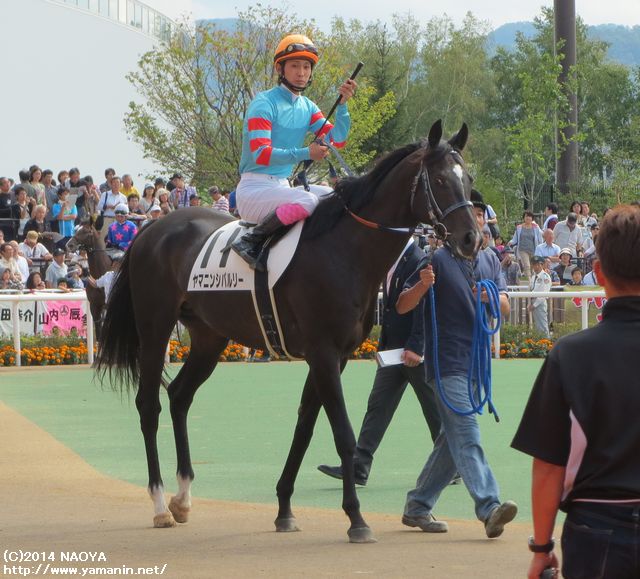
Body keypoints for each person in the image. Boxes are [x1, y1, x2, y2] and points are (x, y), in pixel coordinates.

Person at [513, 204, 640, 579]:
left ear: (598, 272)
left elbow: (548, 466)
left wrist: (541, 547)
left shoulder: (570, 355)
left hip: (596, 527)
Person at [397, 189, 517, 537]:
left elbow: (505, 306)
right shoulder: (435, 260)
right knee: (466, 431)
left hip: (477, 363)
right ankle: (489, 507)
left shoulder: (490, 260)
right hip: (446, 361)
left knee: (450, 443)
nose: (476, 220)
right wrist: (422, 286)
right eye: (470, 215)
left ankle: (418, 505)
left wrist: (490, 297)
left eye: (480, 215)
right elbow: (403, 305)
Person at [316, 239, 443, 487]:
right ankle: (359, 466)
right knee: (377, 407)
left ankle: (450, 465)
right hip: (394, 352)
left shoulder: (418, 259)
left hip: (413, 354)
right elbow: (389, 311)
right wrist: (383, 347)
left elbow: (425, 305)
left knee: (433, 410)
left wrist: (417, 346)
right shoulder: (392, 260)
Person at [231, 33, 357, 270]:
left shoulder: (307, 107)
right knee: (308, 200)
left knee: (333, 195)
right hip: (253, 190)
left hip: (281, 188)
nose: (301, 72)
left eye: (306, 67)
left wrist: (342, 107)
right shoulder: (263, 103)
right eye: (295, 66)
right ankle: (250, 240)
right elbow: (261, 154)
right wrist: (307, 153)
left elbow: (337, 140)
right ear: (280, 69)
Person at [508, 211, 543, 279]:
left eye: (530, 216)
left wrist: (540, 246)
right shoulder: (519, 227)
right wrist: (510, 242)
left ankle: (533, 279)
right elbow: (515, 239)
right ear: (524, 218)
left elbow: (540, 237)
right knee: (527, 265)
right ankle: (529, 280)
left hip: (533, 250)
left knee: (533, 266)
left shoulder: (535, 227)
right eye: (526, 216)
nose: (528, 218)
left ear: (532, 218)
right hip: (522, 249)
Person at [528, 255, 551, 337]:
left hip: (539, 303)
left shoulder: (545, 276)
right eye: (534, 264)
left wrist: (534, 305)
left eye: (538, 264)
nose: (536, 266)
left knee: (542, 325)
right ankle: (540, 342)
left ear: (542, 265)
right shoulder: (534, 276)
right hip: (533, 301)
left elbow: (544, 294)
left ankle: (546, 343)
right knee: (537, 326)